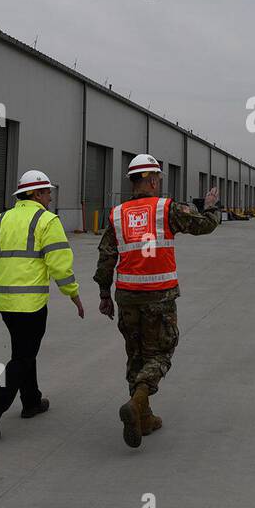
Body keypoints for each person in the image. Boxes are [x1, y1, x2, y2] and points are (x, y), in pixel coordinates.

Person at [0, 170, 84, 441]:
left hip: (6, 303)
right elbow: (59, 263)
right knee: (22, 357)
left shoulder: (1, 220)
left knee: (24, 349)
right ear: (35, 194)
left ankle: (31, 401)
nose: (50, 198)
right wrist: (73, 294)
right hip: (31, 303)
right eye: (47, 193)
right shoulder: (47, 220)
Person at [95, 154, 219, 448]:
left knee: (135, 355)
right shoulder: (166, 208)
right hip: (159, 296)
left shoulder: (117, 214)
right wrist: (212, 207)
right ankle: (139, 400)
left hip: (126, 296)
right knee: (161, 352)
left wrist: (104, 294)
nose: (158, 183)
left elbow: (105, 257)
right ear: (151, 179)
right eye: (158, 178)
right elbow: (204, 225)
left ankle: (144, 417)